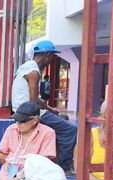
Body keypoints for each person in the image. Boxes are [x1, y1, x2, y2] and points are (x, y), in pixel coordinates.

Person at [11, 40, 77, 172]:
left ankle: (57, 161)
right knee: (70, 130)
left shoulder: (25, 67)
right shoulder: (33, 72)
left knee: (63, 118)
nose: (53, 59)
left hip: (22, 110)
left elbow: (35, 99)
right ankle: (64, 168)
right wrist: (48, 112)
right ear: (47, 55)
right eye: (52, 56)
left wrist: (51, 110)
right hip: (29, 113)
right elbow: (33, 101)